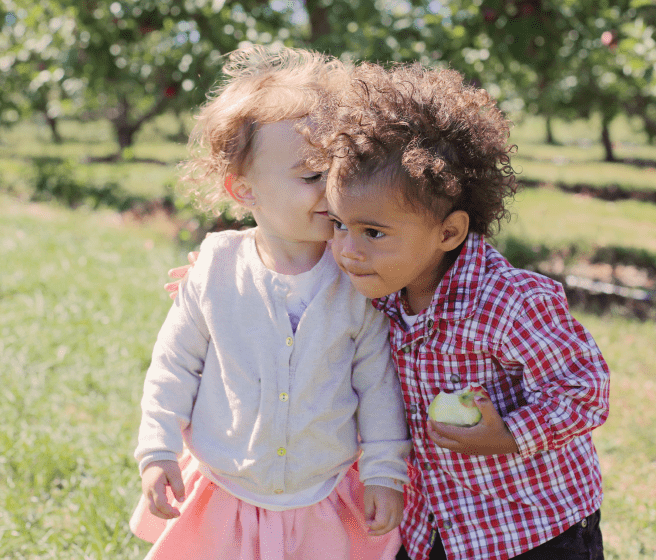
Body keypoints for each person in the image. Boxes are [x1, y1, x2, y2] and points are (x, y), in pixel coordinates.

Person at [305, 62, 611, 560]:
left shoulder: (511, 303)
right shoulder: (373, 288)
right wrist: (216, 276)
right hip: (437, 527)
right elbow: (294, 281)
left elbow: (585, 388)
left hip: (534, 528)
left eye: (373, 232)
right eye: (338, 224)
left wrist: (508, 434)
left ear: (448, 232)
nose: (347, 251)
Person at [131, 47, 410, 560]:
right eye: (309, 176)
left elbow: (377, 386)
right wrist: (157, 449)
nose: (329, 188)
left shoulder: (358, 277)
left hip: (319, 494)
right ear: (244, 190)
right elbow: (173, 367)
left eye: (337, 170)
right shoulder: (215, 270)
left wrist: (385, 471)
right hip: (227, 487)